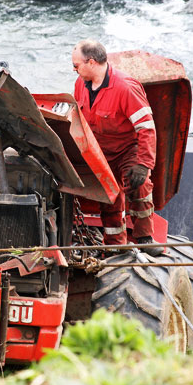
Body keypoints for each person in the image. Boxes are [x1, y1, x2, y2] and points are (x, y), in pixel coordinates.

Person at [72, 39, 163, 256]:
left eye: (76, 66)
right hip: (100, 152)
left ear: (91, 62)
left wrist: (143, 164)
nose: (74, 70)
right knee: (109, 197)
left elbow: (146, 128)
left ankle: (145, 238)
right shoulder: (79, 85)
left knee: (139, 188)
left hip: (127, 149)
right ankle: (115, 244)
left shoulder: (125, 88)